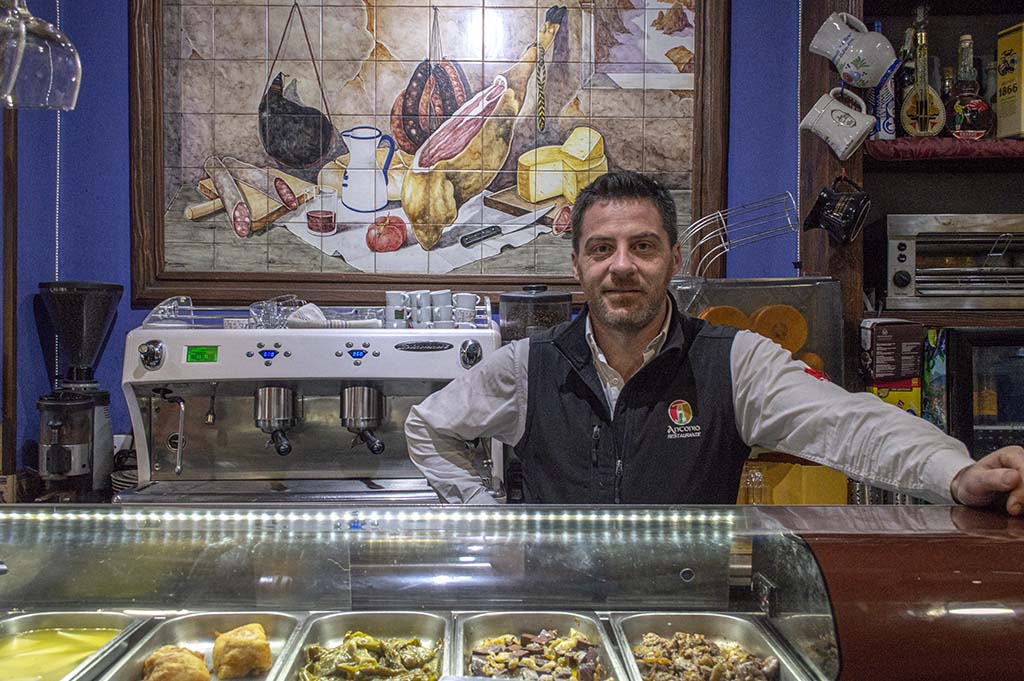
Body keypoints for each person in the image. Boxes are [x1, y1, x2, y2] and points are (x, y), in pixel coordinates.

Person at [405, 171, 1024, 512]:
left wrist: (957, 472)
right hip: (558, 617)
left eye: (642, 246)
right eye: (601, 249)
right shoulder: (528, 365)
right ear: (578, 266)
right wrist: (486, 517)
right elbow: (427, 427)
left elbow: (851, 424)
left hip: (685, 619)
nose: (621, 266)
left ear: (674, 259)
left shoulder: (734, 361)